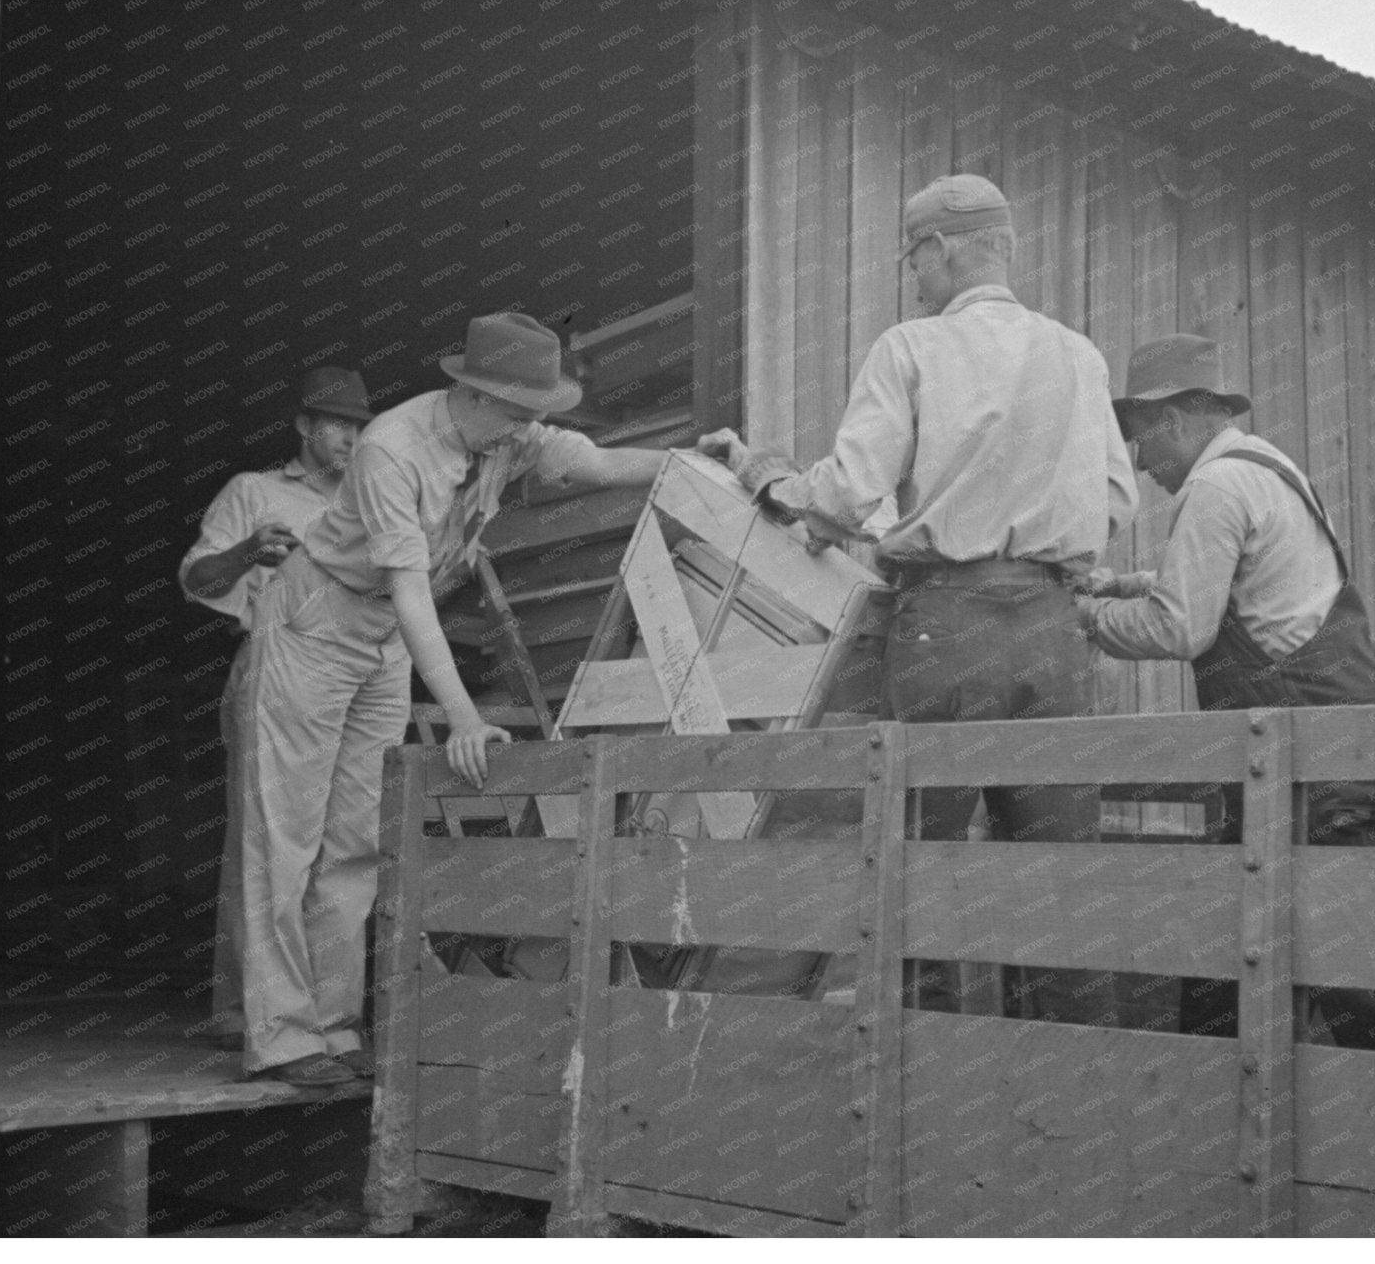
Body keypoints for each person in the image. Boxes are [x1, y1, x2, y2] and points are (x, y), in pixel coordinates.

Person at [700, 174, 1139, 1027]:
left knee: (916, 874)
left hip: (947, 631)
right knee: (1062, 884)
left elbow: (844, 497)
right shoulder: (1079, 356)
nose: (914, 278)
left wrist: (768, 474)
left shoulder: (910, 348)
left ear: (941, 248)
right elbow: (1115, 503)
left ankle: (929, 1098)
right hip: (1054, 636)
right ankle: (1079, 1093)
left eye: (914, 259)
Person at [237, 312, 668, 1085]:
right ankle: (282, 1036)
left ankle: (334, 1028)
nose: (527, 427)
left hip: (380, 638)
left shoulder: (507, 434)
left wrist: (693, 460)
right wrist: (462, 715)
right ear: (469, 393)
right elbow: (408, 590)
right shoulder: (391, 449)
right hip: (319, 619)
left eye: (534, 413)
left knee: (357, 837)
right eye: (515, 409)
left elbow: (598, 464)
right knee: (287, 833)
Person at [1077, 332, 1375, 1059]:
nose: (1142, 465)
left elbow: (1182, 625)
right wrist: (1126, 583)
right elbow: (1248, 590)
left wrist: (1086, 617)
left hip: (1315, 770)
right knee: (1233, 955)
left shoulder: (1213, 489)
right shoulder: (1266, 466)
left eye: (1142, 441)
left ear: (1174, 421)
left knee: (1371, 974)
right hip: (1321, 756)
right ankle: (1213, 1108)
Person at [176, 366, 374, 1054]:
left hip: (357, 674)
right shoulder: (255, 492)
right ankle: (250, 1011)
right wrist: (244, 551)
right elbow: (197, 579)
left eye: (359, 424)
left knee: (349, 844)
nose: (350, 436)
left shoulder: (372, 496)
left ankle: (329, 1020)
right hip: (276, 664)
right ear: (303, 425)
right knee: (271, 842)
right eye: (337, 423)